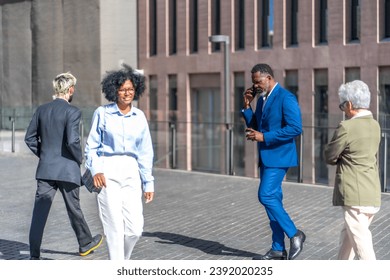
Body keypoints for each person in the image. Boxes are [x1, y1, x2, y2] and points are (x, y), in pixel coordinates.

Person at [24, 72, 103, 260]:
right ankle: (85, 244)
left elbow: (29, 138)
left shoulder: (41, 110)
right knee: (74, 208)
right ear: (70, 90)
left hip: (45, 170)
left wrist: (43, 154)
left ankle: (34, 255)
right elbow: (72, 141)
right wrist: (79, 159)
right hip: (67, 169)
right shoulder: (73, 111)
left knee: (39, 212)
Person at [84, 64, 154, 260]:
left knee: (135, 230)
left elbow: (145, 152)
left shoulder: (139, 117)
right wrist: (96, 170)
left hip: (132, 173)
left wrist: (148, 182)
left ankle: (122, 263)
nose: (126, 93)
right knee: (114, 227)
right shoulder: (102, 113)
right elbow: (91, 147)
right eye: (122, 89)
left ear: (136, 90)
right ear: (114, 91)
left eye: (130, 89)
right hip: (107, 171)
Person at [241, 63, 305, 260]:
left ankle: (295, 234)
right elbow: (256, 126)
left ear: (268, 77)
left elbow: (296, 128)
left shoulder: (286, 98)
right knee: (273, 201)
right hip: (266, 157)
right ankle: (278, 248)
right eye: (253, 83)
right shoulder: (261, 100)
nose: (256, 86)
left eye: (258, 82)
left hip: (279, 156)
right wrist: (246, 106)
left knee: (266, 195)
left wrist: (265, 137)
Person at [324, 80, 381, 260]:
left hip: (354, 194)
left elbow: (330, 155)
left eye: (343, 106)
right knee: (348, 238)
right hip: (371, 192)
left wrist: (342, 157)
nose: (344, 111)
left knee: (363, 250)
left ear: (349, 104)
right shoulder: (375, 125)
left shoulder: (347, 127)